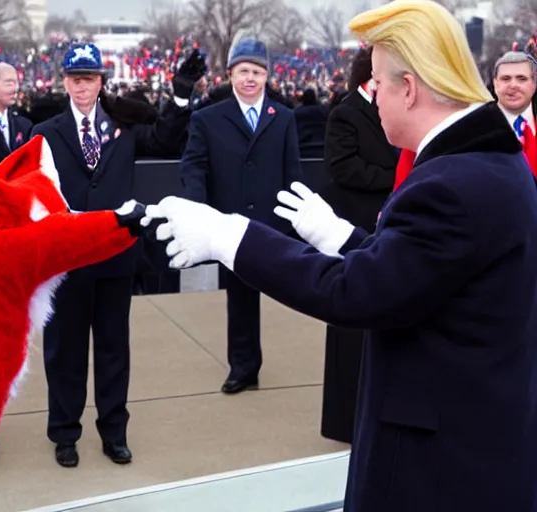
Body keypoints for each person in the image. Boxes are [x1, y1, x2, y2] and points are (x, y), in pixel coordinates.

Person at [142, 1, 537, 510]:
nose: (370, 101)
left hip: (439, 467)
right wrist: (346, 240)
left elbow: (359, 295)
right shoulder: (483, 165)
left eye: (376, 85)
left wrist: (232, 237)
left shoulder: (451, 183)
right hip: (475, 439)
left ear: (409, 88)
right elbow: (418, 275)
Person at [30, 42, 204, 468]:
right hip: (67, 259)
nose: (82, 86)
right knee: (65, 350)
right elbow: (36, 192)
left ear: (101, 81)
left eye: (89, 78)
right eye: (75, 78)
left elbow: (164, 139)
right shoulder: (46, 133)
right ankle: (65, 433)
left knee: (113, 348)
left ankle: (114, 432)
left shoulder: (122, 125)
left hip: (114, 254)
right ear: (65, 82)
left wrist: (180, 95)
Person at [179, 30, 301, 394]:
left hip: (272, 220)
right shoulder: (208, 118)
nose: (250, 79)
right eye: (244, 71)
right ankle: (244, 366)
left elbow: (292, 171)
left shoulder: (282, 117)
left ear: (267, 76)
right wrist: (200, 211)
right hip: (228, 221)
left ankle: (249, 363)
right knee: (240, 294)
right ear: (230, 74)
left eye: (257, 72)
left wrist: (294, 220)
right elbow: (193, 166)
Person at [317, 45, 398, 444]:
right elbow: (343, 166)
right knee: (349, 325)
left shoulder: (397, 109)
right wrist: (395, 175)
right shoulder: (345, 113)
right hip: (355, 223)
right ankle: (345, 420)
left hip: (391, 222)